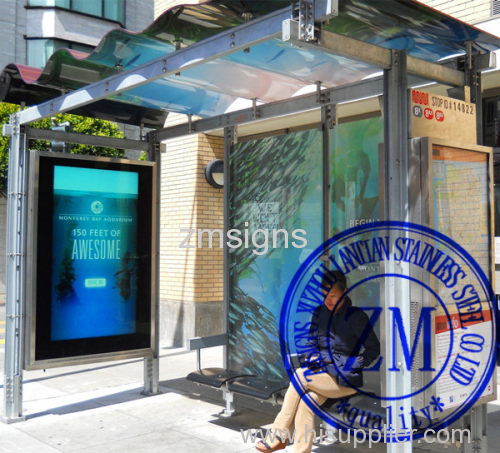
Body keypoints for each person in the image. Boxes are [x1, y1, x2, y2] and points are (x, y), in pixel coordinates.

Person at [256, 271, 380, 453]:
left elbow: (373, 349)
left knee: (299, 375)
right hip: (321, 376)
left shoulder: (356, 317)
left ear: (344, 292)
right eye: (324, 296)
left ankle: (279, 435)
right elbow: (311, 343)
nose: (328, 300)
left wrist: (351, 364)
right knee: (306, 401)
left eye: (332, 296)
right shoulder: (319, 313)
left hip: (344, 381)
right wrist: (312, 356)